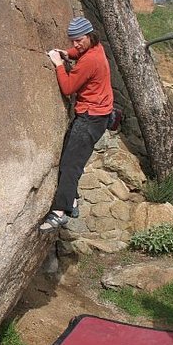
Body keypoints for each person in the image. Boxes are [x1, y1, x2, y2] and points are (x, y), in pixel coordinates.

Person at [40, 16, 114, 232]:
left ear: (90, 36)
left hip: (91, 118)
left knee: (70, 165)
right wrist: (67, 54)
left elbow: (68, 87)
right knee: (73, 159)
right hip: (98, 115)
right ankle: (71, 200)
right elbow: (77, 52)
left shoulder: (91, 60)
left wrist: (59, 64)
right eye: (72, 41)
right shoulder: (95, 48)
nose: (75, 45)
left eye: (78, 40)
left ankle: (59, 212)